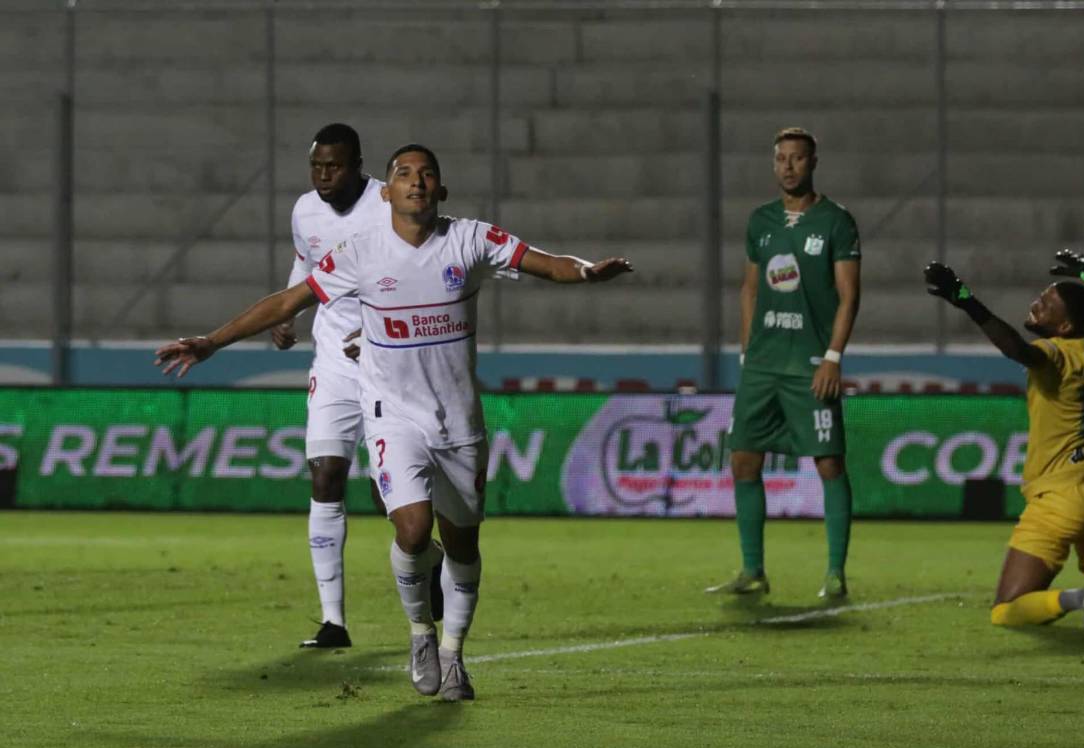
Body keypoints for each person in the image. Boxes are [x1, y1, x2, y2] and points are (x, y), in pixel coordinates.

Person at [156, 144, 633, 700]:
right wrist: (213, 342)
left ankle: (454, 654)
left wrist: (587, 273)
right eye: (404, 174)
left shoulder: (470, 239)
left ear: (442, 190)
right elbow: (288, 302)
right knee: (410, 529)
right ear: (386, 192)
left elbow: (544, 262)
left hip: (457, 422)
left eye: (427, 174)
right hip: (392, 416)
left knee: (462, 548)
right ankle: (420, 634)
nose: (416, 182)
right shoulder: (361, 252)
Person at [924, 250, 1084, 630]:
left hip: (1058, 499)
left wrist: (967, 301)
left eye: (1046, 305)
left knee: (1006, 611)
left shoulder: (1055, 355)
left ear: (1062, 327)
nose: (1035, 305)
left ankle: (1081, 598)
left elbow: (1017, 350)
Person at [275, 123, 442, 650]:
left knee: (385, 495)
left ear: (359, 166)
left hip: (386, 361)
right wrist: (287, 309)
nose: (325, 175)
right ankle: (333, 621)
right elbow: (306, 261)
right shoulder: (305, 209)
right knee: (325, 476)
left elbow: (412, 268)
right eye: (317, 166)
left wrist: (376, 331)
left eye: (335, 166)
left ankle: (429, 557)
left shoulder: (386, 203)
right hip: (332, 359)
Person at [708, 127, 861, 600]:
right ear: (773, 164)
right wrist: (746, 351)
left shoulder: (836, 221)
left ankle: (835, 573)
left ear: (813, 162)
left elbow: (849, 295)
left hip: (810, 363)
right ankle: (753, 570)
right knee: (743, 460)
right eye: (781, 159)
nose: (788, 166)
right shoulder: (761, 221)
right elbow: (750, 288)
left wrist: (833, 357)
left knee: (829, 462)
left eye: (797, 158)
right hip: (763, 364)